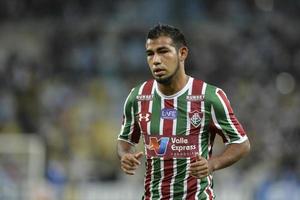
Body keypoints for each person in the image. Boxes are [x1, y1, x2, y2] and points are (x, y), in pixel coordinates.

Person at [117, 24, 250, 200]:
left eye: (163, 51)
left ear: (182, 53)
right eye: (150, 54)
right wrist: (125, 155)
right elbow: (125, 140)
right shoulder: (138, 97)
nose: (156, 60)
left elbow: (241, 143)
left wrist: (213, 164)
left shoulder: (209, 97)